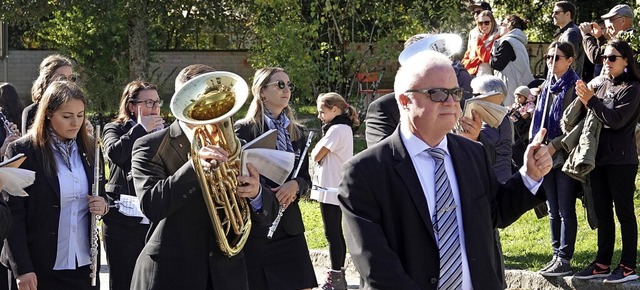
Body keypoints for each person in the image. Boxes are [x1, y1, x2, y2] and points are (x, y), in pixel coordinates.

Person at [338, 50, 552, 289]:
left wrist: (529, 175)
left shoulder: (473, 153)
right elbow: (375, 264)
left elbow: (495, 214)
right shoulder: (364, 172)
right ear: (405, 101)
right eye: (437, 93)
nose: (451, 102)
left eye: (455, 92)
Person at [129, 64, 278, 290]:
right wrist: (194, 168)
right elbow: (152, 205)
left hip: (226, 276)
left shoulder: (240, 147)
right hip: (171, 275)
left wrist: (256, 194)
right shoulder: (150, 146)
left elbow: (269, 213)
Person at [2, 80, 108, 290]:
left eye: (80, 115)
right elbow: (13, 215)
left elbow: (103, 196)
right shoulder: (23, 150)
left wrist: (103, 205)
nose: (75, 123)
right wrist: (22, 268)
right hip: (39, 267)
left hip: (83, 265)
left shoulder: (90, 148)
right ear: (48, 114)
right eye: (67, 116)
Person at [234, 67, 317, 290]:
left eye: (289, 85)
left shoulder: (297, 132)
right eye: (280, 85)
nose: (286, 90)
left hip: (289, 226)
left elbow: (306, 179)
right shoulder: (244, 130)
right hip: (258, 227)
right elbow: (237, 177)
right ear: (261, 92)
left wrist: (296, 185)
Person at [573, 39, 640, 284]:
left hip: (622, 161)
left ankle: (628, 265)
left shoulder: (632, 88)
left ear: (625, 61)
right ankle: (602, 262)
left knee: (624, 213)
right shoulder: (600, 85)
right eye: (604, 57)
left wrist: (591, 101)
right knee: (602, 213)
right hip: (598, 159)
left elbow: (616, 120)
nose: (606, 62)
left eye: (612, 58)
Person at [101, 80, 164, 290]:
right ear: (131, 105)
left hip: (153, 221)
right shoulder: (114, 128)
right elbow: (115, 154)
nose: (155, 108)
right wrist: (140, 129)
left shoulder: (163, 131)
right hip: (123, 222)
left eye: (157, 102)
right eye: (148, 103)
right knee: (123, 281)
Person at [365, 33, 472, 148]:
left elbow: (489, 155)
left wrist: (472, 139)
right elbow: (382, 157)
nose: (450, 102)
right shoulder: (383, 108)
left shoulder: (456, 100)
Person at [530, 41, 581, 277]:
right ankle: (555, 255)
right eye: (549, 57)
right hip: (544, 154)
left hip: (564, 156)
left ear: (570, 60)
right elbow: (537, 122)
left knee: (565, 208)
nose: (551, 61)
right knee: (552, 208)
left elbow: (578, 128)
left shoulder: (576, 86)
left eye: (556, 57)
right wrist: (536, 145)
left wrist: (554, 146)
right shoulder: (547, 86)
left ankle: (565, 258)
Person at [310, 92, 358, 290]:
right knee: (336, 233)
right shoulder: (341, 128)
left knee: (332, 234)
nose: (320, 116)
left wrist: (316, 149)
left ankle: (335, 277)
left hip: (331, 189)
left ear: (335, 110)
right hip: (334, 187)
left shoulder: (337, 129)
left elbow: (316, 154)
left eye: (322, 112)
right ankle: (339, 276)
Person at [21, 54, 74, 135]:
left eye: (71, 78)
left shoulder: (75, 108)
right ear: (47, 80)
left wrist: (87, 136)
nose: (67, 82)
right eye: (61, 78)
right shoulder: (32, 111)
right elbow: (27, 145)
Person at [490, 14, 534, 107]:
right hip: (518, 88)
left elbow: (496, 64)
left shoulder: (508, 42)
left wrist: (493, 49)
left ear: (509, 25)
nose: (499, 27)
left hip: (510, 90)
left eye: (502, 23)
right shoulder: (518, 42)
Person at [579, 4, 634, 75]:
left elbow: (596, 56)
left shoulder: (624, 40)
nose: (608, 30)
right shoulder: (633, 37)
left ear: (622, 21)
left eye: (611, 20)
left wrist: (586, 34)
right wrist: (599, 37)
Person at [462, 10, 500, 77]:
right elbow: (465, 60)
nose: (483, 25)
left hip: (489, 77)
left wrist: (479, 41)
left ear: (492, 22)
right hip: (472, 74)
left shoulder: (497, 37)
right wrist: (477, 60)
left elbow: (485, 58)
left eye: (487, 23)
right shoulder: (475, 37)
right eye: (480, 23)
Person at [551, 1, 584, 78]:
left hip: (567, 83)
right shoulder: (565, 32)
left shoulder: (571, 33)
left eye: (556, 12)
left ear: (567, 14)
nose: (553, 15)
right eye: (553, 13)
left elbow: (570, 63)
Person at [510, 86, 535, 168]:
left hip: (523, 127)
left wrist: (528, 114)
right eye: (516, 97)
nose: (517, 99)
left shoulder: (529, 105)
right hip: (514, 125)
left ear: (526, 97)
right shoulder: (516, 105)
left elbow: (532, 111)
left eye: (520, 97)